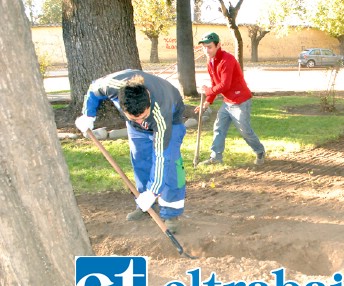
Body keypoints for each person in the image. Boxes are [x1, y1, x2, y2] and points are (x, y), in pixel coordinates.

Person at [75, 69, 186, 233]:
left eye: (143, 116)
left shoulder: (161, 112)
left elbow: (162, 158)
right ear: (123, 106)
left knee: (170, 165)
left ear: (148, 101)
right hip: (135, 130)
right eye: (136, 118)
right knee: (140, 160)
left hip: (172, 122)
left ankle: (170, 213)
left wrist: (153, 191)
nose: (141, 121)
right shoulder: (112, 86)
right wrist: (88, 115)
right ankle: (146, 205)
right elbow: (94, 89)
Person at [194, 32, 266, 166]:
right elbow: (215, 84)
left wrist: (209, 91)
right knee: (218, 128)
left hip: (240, 101)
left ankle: (260, 151)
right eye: (204, 47)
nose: (206, 50)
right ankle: (215, 158)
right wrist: (207, 102)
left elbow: (224, 85)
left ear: (218, 45)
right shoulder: (210, 62)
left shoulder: (227, 60)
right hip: (228, 102)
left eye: (209, 47)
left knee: (245, 131)